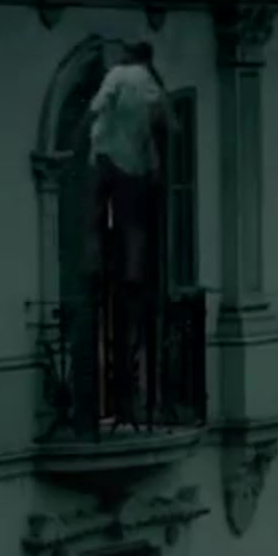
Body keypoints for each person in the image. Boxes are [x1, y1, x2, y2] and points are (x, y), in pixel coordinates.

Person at [81, 41, 175, 429]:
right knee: (130, 223)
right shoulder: (139, 80)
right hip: (126, 167)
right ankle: (126, 272)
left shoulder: (120, 78)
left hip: (106, 158)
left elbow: (96, 108)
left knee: (102, 214)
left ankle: (99, 263)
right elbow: (165, 119)